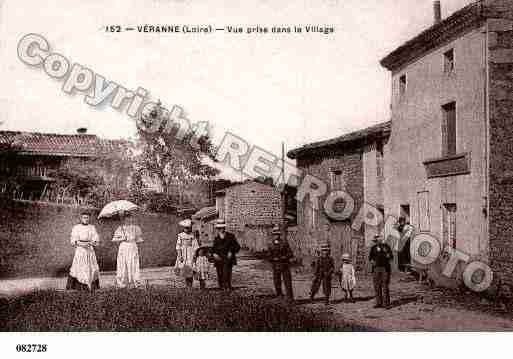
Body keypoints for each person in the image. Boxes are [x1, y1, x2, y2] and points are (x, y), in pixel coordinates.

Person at [66, 212, 100, 291]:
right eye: (84, 217)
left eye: (87, 217)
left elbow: (96, 238)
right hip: (80, 250)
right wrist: (81, 244)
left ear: (89, 218)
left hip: (89, 249)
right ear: (81, 218)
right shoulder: (76, 227)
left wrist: (92, 243)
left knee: (91, 266)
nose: (86, 219)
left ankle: (91, 286)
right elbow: (73, 240)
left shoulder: (92, 227)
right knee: (79, 266)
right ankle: (78, 286)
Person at [112, 211, 144, 288]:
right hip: (124, 247)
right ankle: (122, 282)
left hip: (132, 246)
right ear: (124, 219)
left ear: (132, 218)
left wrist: (136, 240)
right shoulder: (120, 228)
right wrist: (122, 238)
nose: (128, 219)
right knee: (123, 264)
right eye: (127, 218)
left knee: (133, 263)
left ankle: (134, 281)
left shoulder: (136, 228)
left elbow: (139, 239)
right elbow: (114, 239)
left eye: (130, 218)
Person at [212, 219, 240, 290]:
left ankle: (227, 287)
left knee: (227, 273)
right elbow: (213, 248)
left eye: (222, 228)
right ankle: (221, 287)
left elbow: (237, 246)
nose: (221, 229)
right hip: (219, 258)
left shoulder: (231, 236)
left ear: (224, 228)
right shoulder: (216, 238)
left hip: (228, 258)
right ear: (217, 229)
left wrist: (231, 251)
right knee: (220, 273)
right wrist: (214, 254)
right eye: (219, 228)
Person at [268, 224, 294, 301]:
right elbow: (269, 255)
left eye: (277, 234)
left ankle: (290, 298)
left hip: (285, 265)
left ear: (280, 235)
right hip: (276, 265)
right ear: (273, 235)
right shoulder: (271, 245)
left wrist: (285, 257)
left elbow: (290, 253)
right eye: (275, 234)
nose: (276, 236)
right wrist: (273, 258)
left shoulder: (284, 243)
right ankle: (279, 296)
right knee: (277, 282)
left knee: (287, 282)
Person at [369, 233, 394, 309]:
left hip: (385, 268)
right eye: (376, 239)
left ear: (381, 239)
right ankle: (379, 302)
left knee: (385, 286)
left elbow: (391, 257)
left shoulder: (386, 247)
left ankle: (386, 303)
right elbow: (370, 258)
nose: (377, 240)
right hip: (376, 269)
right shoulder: (373, 248)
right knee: (377, 286)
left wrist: (388, 256)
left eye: (378, 239)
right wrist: (372, 261)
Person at [175, 219, 200, 288]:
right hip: (183, 254)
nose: (187, 230)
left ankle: (190, 285)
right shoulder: (181, 236)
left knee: (190, 268)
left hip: (190, 254)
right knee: (184, 269)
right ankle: (186, 285)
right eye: (185, 228)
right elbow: (178, 246)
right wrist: (180, 255)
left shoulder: (192, 236)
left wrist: (195, 254)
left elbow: (195, 245)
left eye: (188, 228)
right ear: (183, 228)